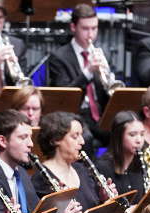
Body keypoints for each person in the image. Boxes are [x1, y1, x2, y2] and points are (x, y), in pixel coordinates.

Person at [48, 3, 114, 148]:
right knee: (86, 138)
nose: (90, 34)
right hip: (76, 113)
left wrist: (110, 79)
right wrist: (88, 72)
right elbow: (64, 97)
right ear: (73, 27)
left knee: (124, 130)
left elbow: (108, 92)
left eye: (94, 28)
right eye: (85, 29)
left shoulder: (103, 54)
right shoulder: (59, 57)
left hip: (99, 113)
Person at [95, 110, 146, 202]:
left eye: (142, 134)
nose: (139, 140)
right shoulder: (102, 166)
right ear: (118, 136)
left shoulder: (142, 162)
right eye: (132, 135)